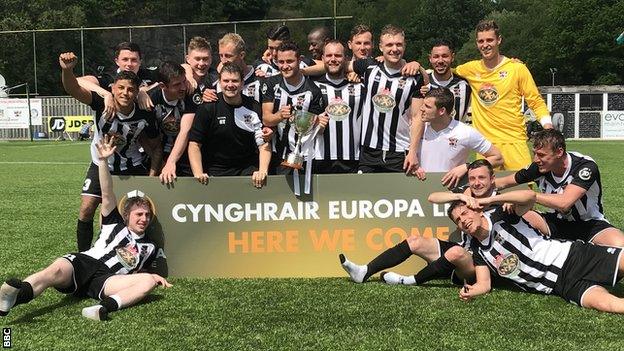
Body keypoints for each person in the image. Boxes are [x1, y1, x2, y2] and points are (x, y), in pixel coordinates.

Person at [338, 88, 505, 284]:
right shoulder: (417, 128)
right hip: (421, 194)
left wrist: (465, 168)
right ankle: (365, 270)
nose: (421, 109)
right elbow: (406, 154)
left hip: (451, 202)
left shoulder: (465, 132)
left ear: (441, 111)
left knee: (456, 246)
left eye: (427, 106)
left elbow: (497, 157)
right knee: (415, 239)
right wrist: (414, 161)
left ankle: (428, 275)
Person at [0, 135, 171, 321]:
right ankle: (11, 298)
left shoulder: (151, 247)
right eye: (139, 214)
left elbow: (141, 273)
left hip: (108, 280)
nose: (144, 219)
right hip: (85, 263)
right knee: (53, 271)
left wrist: (152, 276)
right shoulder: (114, 223)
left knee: (148, 281)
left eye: (147, 215)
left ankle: (100, 309)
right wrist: (103, 161)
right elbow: (106, 193)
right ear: (127, 216)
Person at [450, 190, 624, 314]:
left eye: (465, 213)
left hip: (571, 257)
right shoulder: (478, 251)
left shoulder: (500, 216)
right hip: (560, 285)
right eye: (458, 220)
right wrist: (472, 291)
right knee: (609, 305)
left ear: (477, 210)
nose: (463, 220)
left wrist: (488, 200)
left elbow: (529, 196)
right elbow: (484, 284)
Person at [60, 52, 162, 252]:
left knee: (139, 212)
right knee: (87, 208)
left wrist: (152, 175)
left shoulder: (145, 113)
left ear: (136, 92)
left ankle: (142, 253)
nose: (125, 93)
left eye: (131, 90)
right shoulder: (101, 103)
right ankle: (83, 256)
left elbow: (156, 146)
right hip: (101, 164)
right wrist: (67, 70)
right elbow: (74, 88)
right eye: (120, 88)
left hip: (131, 165)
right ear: (112, 89)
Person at [495, 129, 624, 246]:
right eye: (534, 153)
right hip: (556, 222)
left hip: (589, 224)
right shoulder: (538, 167)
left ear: (559, 152)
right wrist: (478, 188)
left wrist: (528, 196)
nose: (535, 159)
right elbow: (503, 182)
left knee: (620, 245)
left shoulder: (585, 166)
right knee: (514, 216)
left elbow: (564, 203)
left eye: (541, 155)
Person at [455, 20, 552, 170]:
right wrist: (417, 67)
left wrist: (548, 126)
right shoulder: (469, 69)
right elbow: (442, 72)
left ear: (499, 40)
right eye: (481, 41)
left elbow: (535, 101)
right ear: (477, 43)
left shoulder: (517, 68)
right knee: (486, 192)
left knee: (522, 191)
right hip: (486, 146)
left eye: (490, 40)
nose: (485, 44)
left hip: (514, 142)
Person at [348, 24, 424, 174]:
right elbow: (336, 66)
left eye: (399, 44)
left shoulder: (415, 77)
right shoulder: (368, 67)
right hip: (369, 152)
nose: (394, 49)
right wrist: (302, 69)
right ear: (381, 47)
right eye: (389, 45)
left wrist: (413, 152)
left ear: (404, 46)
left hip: (399, 152)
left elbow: (417, 117)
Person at [187, 63, 271, 188]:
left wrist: (262, 171)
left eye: (235, 81)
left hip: (247, 171)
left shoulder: (253, 107)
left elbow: (263, 144)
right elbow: (194, 144)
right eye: (226, 80)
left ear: (242, 83)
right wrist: (198, 173)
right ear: (220, 83)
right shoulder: (208, 107)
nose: (230, 85)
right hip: (215, 172)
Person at [261, 41, 326, 174]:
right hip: (276, 155)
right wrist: (279, 116)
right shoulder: (271, 84)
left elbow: (316, 128)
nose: (285, 66)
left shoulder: (313, 91)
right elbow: (266, 119)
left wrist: (320, 125)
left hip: (304, 156)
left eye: (289, 61)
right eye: (281, 62)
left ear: (299, 60)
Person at [312, 40, 364, 173]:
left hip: (353, 159)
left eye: (338, 55)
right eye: (329, 56)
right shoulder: (313, 88)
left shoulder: (360, 87)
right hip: (320, 158)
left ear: (346, 59)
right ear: (322, 58)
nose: (333, 59)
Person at [148, 61, 197, 184]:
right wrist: (160, 161)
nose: (183, 87)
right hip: (157, 152)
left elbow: (185, 131)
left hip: (185, 153)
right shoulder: (150, 99)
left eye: (184, 81)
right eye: (177, 85)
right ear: (162, 86)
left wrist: (171, 162)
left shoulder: (191, 95)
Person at [77, 42, 159, 115]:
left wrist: (144, 90)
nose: (129, 64)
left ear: (140, 62)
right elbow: (79, 80)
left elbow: (168, 78)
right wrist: (106, 94)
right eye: (125, 59)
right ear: (117, 61)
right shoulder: (109, 77)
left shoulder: (149, 74)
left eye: (134, 60)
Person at [426, 40, 471, 121]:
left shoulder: (465, 85)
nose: (440, 61)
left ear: (452, 57)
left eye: (445, 56)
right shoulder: (421, 82)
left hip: (458, 133)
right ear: (430, 58)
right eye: (436, 56)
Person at [217, 33, 262, 103]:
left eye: (228, 56)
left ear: (241, 55)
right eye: (221, 56)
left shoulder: (259, 79)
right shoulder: (215, 80)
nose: (223, 61)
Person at [183, 37, 219, 106]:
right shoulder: (181, 81)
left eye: (205, 59)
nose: (201, 63)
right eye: (197, 59)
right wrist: (188, 74)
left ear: (211, 59)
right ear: (188, 59)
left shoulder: (217, 80)